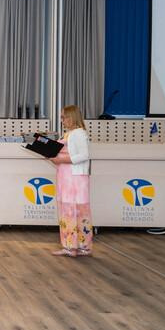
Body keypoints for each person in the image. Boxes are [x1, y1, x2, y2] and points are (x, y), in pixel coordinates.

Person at [50, 105, 93, 257]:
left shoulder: (79, 133)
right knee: (68, 211)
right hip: (66, 177)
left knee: (77, 211)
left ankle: (78, 246)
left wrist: (61, 159)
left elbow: (84, 155)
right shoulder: (68, 134)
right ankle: (72, 246)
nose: (62, 120)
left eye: (64, 117)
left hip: (75, 178)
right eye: (61, 117)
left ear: (72, 117)